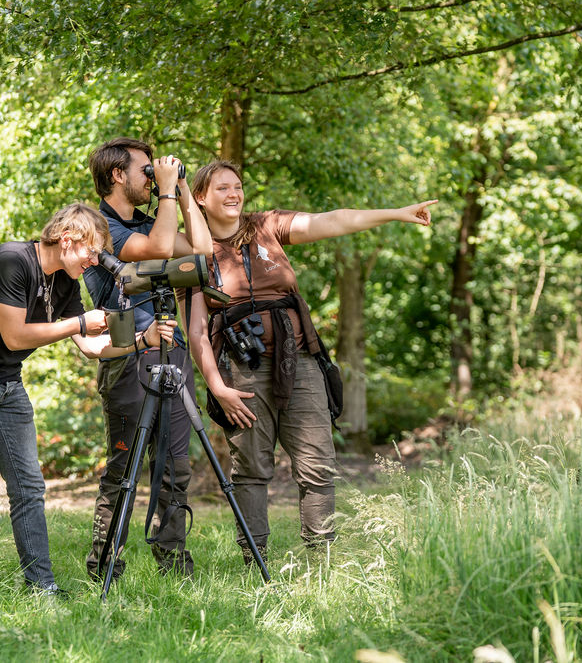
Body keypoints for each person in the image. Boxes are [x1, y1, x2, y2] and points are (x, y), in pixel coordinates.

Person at [186, 160, 435, 564]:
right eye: (222, 188)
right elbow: (196, 329)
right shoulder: (192, 249)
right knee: (250, 467)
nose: (234, 194)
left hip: (298, 361)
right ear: (200, 197)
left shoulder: (267, 225)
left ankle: (322, 559)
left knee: (318, 463)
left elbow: (333, 220)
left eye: (238, 186)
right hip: (241, 370)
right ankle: (256, 561)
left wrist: (396, 213)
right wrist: (217, 387)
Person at [0, 202, 176, 595]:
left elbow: (92, 348)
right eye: (91, 251)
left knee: (29, 487)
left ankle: (41, 586)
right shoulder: (11, 261)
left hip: (8, 384)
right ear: (68, 240)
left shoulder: (65, 282)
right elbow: (15, 336)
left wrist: (141, 340)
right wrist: (79, 322)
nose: (94, 261)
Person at [81, 137, 212, 579]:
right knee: (125, 467)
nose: (152, 179)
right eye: (145, 171)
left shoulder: (147, 219)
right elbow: (158, 250)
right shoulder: (98, 228)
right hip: (127, 355)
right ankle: (105, 566)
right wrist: (170, 192)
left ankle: (175, 565)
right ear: (117, 175)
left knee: (174, 467)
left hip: (169, 348)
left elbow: (202, 252)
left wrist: (184, 193)